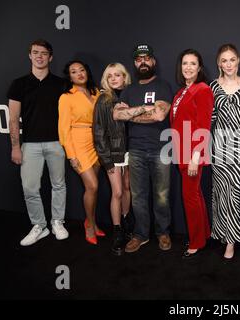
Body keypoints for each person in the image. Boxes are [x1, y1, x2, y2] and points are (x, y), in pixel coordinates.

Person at [112, 44, 173, 253]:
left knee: (162, 195)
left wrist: (132, 113)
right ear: (135, 63)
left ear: (153, 61)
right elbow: (117, 115)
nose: (143, 62)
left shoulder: (163, 86)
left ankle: (163, 232)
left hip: (161, 149)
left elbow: (159, 115)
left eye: (147, 58)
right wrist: (144, 109)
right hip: (136, 149)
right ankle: (140, 234)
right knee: (138, 196)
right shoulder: (129, 89)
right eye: (139, 59)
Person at [8, 39, 69, 246]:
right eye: (35, 52)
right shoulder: (19, 84)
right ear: (30, 55)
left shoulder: (61, 84)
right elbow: (13, 119)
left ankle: (57, 222)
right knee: (30, 188)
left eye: (44, 53)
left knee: (58, 185)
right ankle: (39, 226)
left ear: (50, 57)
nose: (39, 56)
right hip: (30, 145)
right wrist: (16, 146)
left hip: (57, 143)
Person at [210, 44, 240, 259]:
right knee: (219, 192)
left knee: (232, 192)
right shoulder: (212, 86)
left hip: (239, 144)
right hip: (218, 144)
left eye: (232, 59)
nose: (228, 64)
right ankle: (220, 231)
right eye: (224, 60)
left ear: (238, 61)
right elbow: (210, 120)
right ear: (219, 63)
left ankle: (231, 240)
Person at [170, 48, 214, 258]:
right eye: (185, 63)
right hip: (181, 151)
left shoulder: (203, 89)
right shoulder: (180, 92)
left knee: (190, 197)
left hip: (193, 153)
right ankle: (204, 233)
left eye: (192, 64)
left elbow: (204, 125)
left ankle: (196, 242)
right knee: (195, 195)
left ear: (199, 68)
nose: (188, 67)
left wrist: (196, 156)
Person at [58, 60, 102, 245]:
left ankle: (90, 220)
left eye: (82, 70)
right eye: (74, 72)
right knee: (92, 186)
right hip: (78, 142)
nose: (79, 74)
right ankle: (90, 226)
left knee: (94, 186)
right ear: (70, 77)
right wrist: (71, 155)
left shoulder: (96, 92)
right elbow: (63, 129)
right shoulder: (66, 97)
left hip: (97, 141)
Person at [93, 63, 134, 255]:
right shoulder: (103, 100)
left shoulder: (131, 96)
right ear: (106, 80)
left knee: (127, 188)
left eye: (118, 75)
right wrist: (107, 160)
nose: (115, 79)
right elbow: (99, 132)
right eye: (110, 76)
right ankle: (117, 231)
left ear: (125, 77)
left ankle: (126, 222)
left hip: (131, 151)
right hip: (114, 153)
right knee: (117, 192)